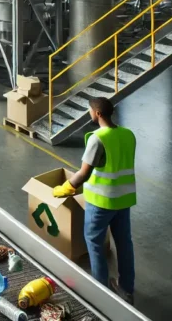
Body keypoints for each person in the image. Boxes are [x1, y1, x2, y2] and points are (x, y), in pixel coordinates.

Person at [53, 97, 136, 304]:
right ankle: (126, 289)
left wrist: (66, 188)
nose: (89, 113)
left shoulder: (97, 138)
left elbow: (84, 174)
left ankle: (101, 293)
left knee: (95, 244)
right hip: (124, 200)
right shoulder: (128, 134)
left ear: (97, 113)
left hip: (101, 202)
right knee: (124, 243)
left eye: (90, 110)